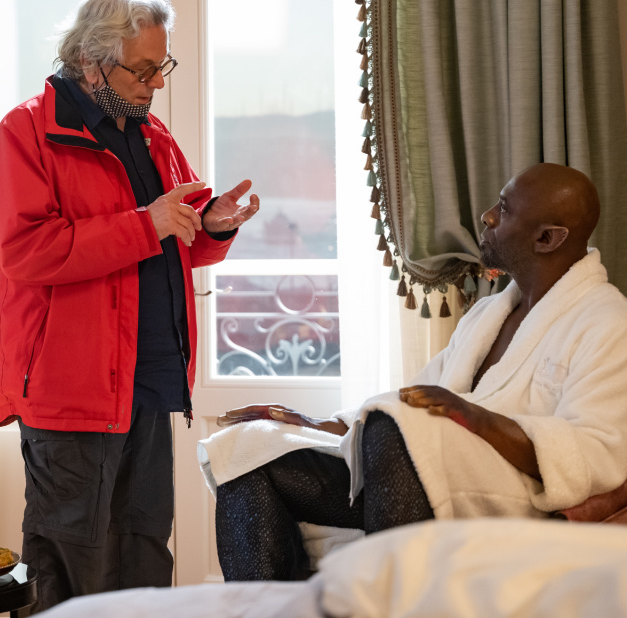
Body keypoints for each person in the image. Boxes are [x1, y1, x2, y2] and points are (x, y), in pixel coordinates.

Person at [208, 163, 627, 580]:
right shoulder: (489, 313)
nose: (488, 217)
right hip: (420, 472)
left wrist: (480, 421)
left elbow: (599, 452)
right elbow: (413, 402)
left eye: (504, 208)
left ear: (546, 238)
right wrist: (317, 424)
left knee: (395, 432)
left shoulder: (606, 321)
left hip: (507, 494)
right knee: (245, 453)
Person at [0, 0, 260, 612]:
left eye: (163, 66)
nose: (156, 82)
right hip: (68, 386)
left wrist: (211, 226)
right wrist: (148, 224)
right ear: (91, 61)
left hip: (148, 378)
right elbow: (27, 251)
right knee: (71, 557)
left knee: (142, 551)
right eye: (143, 68)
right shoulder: (25, 133)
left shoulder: (152, 134)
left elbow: (169, 237)